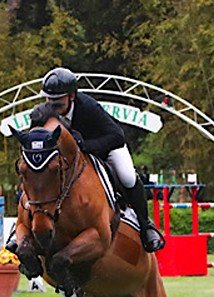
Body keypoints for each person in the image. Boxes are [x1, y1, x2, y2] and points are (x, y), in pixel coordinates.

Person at [35, 67, 165, 252]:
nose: (53, 106)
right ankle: (19, 231)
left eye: (58, 101)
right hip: (71, 159)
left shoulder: (88, 107)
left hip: (106, 148)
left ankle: (146, 227)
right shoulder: (45, 113)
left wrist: (86, 146)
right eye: (49, 100)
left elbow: (117, 136)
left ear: (72, 96)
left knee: (127, 177)